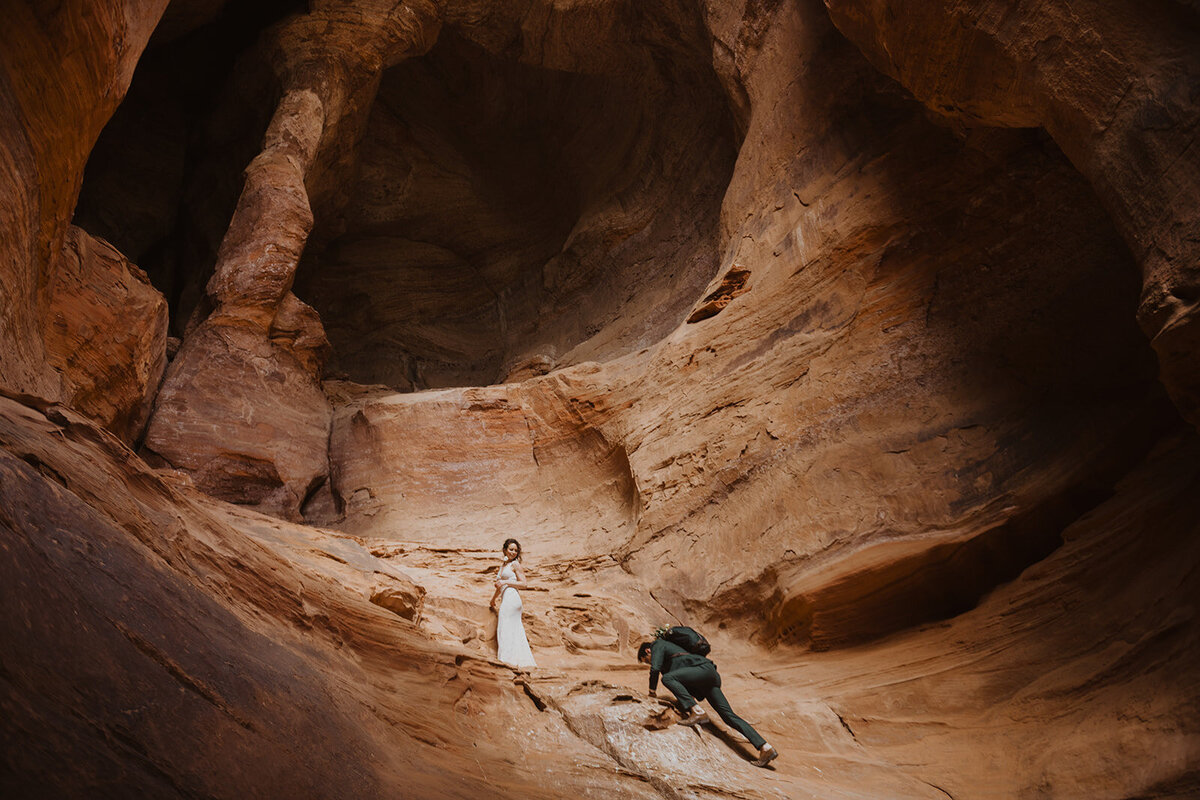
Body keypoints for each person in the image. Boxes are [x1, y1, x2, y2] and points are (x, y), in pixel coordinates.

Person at [638, 638, 778, 767]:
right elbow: (683, 687)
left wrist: (652, 693)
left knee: (667, 679)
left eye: (647, 660)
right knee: (728, 716)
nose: (649, 662)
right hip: (707, 677)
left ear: (648, 651)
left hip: (702, 670)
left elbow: (655, 669)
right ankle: (765, 748)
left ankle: (698, 712)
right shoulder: (669, 664)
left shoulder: (658, 644)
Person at [490, 538, 536, 668]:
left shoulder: (515, 564)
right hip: (506, 597)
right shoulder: (503, 565)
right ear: (504, 550)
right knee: (511, 628)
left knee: (504, 627)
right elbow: (500, 587)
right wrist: (493, 599)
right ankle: (517, 661)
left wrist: (505, 582)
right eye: (511, 549)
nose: (513, 552)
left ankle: (506, 661)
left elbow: (524, 584)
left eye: (516, 550)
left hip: (512, 598)